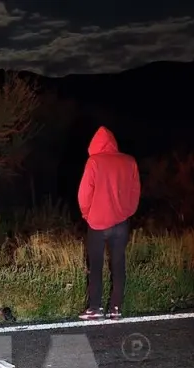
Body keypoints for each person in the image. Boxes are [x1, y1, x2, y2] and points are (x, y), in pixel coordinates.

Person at [76, 126, 141, 321]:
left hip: (97, 223)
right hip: (121, 223)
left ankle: (95, 308)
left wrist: (88, 214)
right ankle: (115, 308)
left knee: (96, 265)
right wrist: (127, 212)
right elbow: (135, 192)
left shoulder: (94, 161)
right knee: (119, 263)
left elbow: (84, 194)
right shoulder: (130, 161)